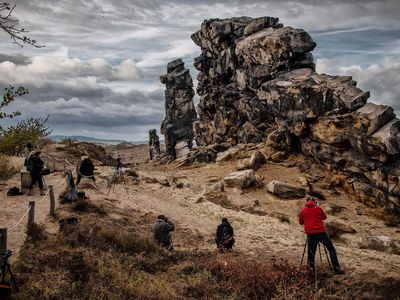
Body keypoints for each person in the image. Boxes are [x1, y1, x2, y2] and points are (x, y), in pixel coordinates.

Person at [298, 196, 343, 274]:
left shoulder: (303, 210)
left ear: (306, 202)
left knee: (311, 253)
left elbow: (301, 222)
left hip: (311, 234)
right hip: (321, 233)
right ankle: (336, 269)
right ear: (314, 202)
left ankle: (310, 271)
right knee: (331, 249)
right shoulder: (318, 208)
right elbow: (324, 217)